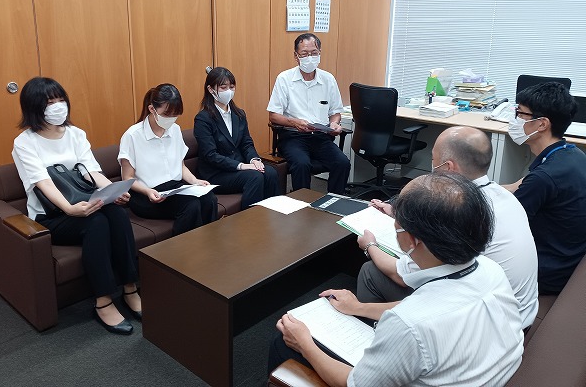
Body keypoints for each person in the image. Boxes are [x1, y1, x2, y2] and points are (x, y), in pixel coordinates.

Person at [269, 173, 524, 386]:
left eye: (396, 224)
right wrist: (358, 307)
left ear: (412, 240)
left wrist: (304, 343)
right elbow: (428, 305)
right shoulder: (490, 270)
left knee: (283, 343)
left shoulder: (408, 325)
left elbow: (354, 384)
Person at [356, 126, 538, 328]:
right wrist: (401, 213)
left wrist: (369, 245)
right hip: (517, 312)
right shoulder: (503, 196)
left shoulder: (461, 215)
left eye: (433, 160)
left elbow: (401, 275)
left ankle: (370, 335)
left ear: (449, 167)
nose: (432, 167)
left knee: (370, 271)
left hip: (488, 324)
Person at [12, 77, 140, 336]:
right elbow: (43, 183)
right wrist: (70, 209)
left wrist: (113, 191)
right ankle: (103, 300)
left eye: (61, 100)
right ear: (34, 107)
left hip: (84, 202)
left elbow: (92, 171)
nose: (58, 106)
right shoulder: (24, 142)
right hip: (51, 215)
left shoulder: (75, 134)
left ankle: (130, 288)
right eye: (50, 102)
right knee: (96, 222)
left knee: (116, 214)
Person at [503, 82, 586, 294]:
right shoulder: (570, 154)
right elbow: (518, 186)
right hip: (569, 259)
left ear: (541, 124)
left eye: (520, 114)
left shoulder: (544, 178)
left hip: (547, 272)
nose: (515, 120)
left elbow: (503, 225)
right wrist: (480, 188)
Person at [119, 83, 218, 235]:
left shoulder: (175, 130)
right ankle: (184, 249)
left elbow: (181, 166)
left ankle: (209, 242)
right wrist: (148, 191)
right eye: (166, 115)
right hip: (145, 195)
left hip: (173, 189)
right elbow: (127, 178)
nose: (171, 119)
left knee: (209, 199)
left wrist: (195, 181)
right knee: (190, 206)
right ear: (152, 109)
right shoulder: (132, 135)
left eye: (175, 115)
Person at [267, 33, 350, 194]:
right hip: (293, 137)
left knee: (342, 163)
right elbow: (273, 115)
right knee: (302, 164)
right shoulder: (284, 79)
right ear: (296, 56)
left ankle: (333, 201)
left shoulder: (328, 79)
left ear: (320, 53)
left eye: (314, 53)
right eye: (304, 54)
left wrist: (334, 123)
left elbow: (335, 112)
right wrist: (294, 122)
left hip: (321, 137)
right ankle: (302, 204)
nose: (310, 58)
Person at [194, 67, 279, 210]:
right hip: (216, 174)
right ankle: (249, 220)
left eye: (232, 87)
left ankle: (273, 214)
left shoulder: (239, 114)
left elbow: (246, 143)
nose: (229, 91)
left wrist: (254, 160)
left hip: (236, 169)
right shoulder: (203, 119)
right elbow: (210, 155)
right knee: (255, 177)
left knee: (270, 172)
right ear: (210, 89)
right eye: (223, 87)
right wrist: (241, 166)